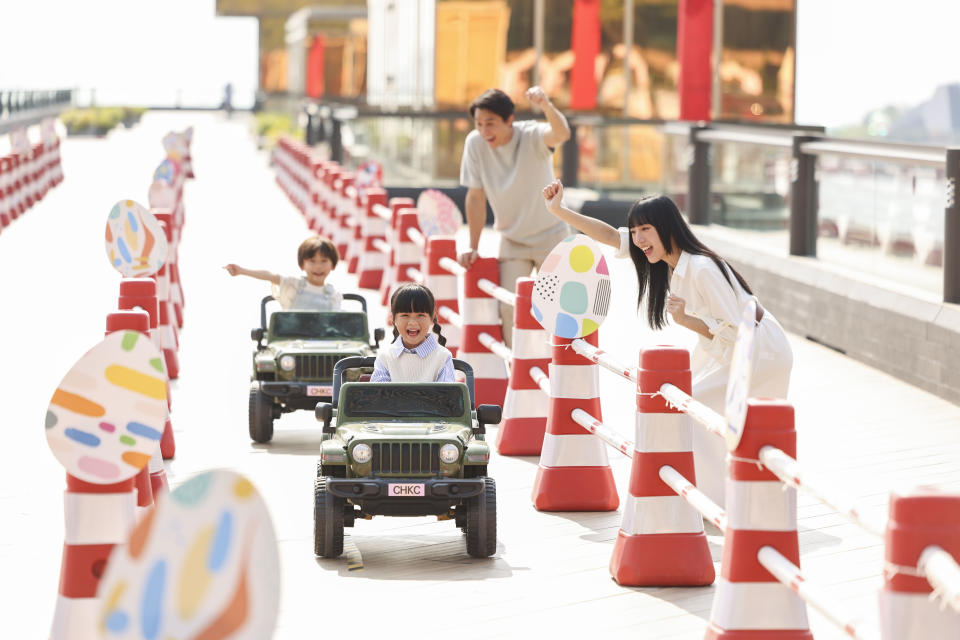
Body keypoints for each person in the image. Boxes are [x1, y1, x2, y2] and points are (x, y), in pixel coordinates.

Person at [541, 179, 793, 508]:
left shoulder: (701, 267)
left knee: (696, 411)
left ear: (667, 228)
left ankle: (720, 503)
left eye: (645, 229)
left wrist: (686, 320)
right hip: (735, 349)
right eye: (635, 231)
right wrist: (560, 210)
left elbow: (735, 330)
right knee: (698, 411)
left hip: (759, 349)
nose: (638, 239)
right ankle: (725, 500)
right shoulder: (673, 262)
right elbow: (608, 237)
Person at [458, 86, 572, 346]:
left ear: (509, 120)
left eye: (491, 123)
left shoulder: (531, 135)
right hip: (512, 239)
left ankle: (557, 367)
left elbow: (562, 133)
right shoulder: (475, 144)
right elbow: (475, 198)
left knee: (557, 308)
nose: (485, 131)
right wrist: (472, 247)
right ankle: (516, 368)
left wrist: (545, 104)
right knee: (509, 307)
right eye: (478, 124)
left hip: (551, 237)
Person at [224, 235, 341, 310]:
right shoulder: (294, 285)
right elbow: (271, 276)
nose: (318, 266)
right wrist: (242, 271)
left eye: (324, 261)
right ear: (302, 264)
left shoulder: (333, 295)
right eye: (312, 261)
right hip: (292, 343)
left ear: (333, 264)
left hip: (324, 345)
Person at [371, 283, 455, 383]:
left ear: (432, 317)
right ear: (393, 318)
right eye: (405, 315)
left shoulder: (443, 357)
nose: (413, 322)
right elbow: (378, 395)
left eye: (420, 315)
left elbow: (447, 396)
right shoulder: (385, 357)